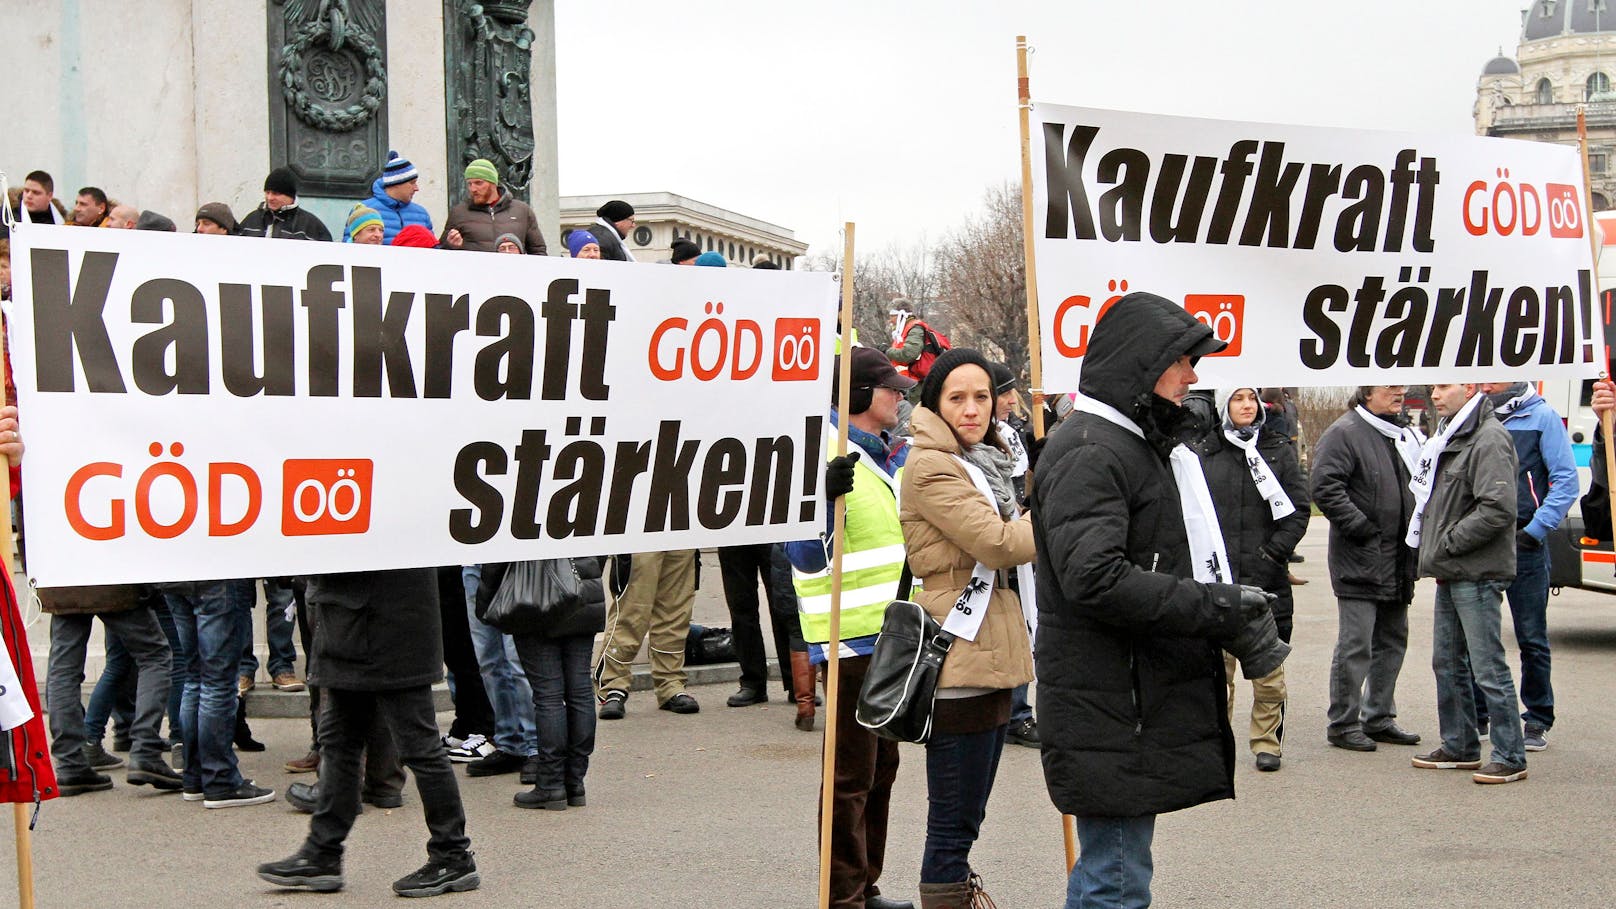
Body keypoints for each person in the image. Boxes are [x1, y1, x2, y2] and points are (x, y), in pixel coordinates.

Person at [1031, 291, 1287, 909]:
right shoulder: (1094, 449)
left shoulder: (1124, 442)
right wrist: (1213, 607)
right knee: (1115, 884)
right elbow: (1095, 578)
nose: (1193, 377)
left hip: (1124, 700)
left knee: (1114, 876)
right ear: (1142, 364)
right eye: (1182, 361)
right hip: (1113, 704)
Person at [900, 348, 1036, 908]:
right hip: (960, 651)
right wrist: (1062, 508)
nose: (973, 407)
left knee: (968, 816)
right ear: (935, 401)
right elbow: (999, 542)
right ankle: (947, 898)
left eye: (982, 395)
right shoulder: (932, 464)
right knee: (953, 822)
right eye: (957, 397)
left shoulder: (981, 460)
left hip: (992, 647)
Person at [784, 345, 917, 909]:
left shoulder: (880, 457)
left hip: (888, 640)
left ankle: (865, 884)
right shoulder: (825, 454)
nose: (900, 395)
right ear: (860, 395)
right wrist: (821, 499)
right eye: (891, 387)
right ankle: (841, 897)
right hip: (848, 641)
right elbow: (800, 553)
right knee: (849, 777)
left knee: (880, 770)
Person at [258, 569, 479, 897]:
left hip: (392, 622)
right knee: (338, 741)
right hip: (345, 621)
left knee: (418, 745)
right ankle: (322, 852)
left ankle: (453, 855)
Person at [1408, 383, 1526, 784]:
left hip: (1476, 570)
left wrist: (1448, 542)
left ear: (1471, 387)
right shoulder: (1451, 434)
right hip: (1453, 568)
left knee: (1487, 666)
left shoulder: (1489, 437)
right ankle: (1460, 745)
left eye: (1443, 387)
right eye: (1433, 388)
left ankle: (1511, 755)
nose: (1435, 395)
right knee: (1447, 662)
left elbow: (1498, 507)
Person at [1197, 387, 1311, 771]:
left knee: (1269, 676)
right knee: (1217, 674)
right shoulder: (1204, 453)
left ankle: (1267, 744)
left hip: (1268, 582)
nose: (1247, 405)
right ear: (1224, 406)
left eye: (1251, 398)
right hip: (1220, 582)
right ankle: (1217, 744)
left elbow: (1297, 511)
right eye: (1238, 398)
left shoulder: (1277, 449)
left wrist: (1273, 553)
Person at [1310, 385, 1424, 752]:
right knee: (1356, 645)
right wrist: (1360, 527)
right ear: (1366, 393)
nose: (1399, 392)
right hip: (1360, 559)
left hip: (1397, 560)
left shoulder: (1402, 434)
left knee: (1392, 641)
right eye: (1390, 387)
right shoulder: (1345, 433)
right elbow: (1325, 487)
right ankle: (1343, 723)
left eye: (1401, 386)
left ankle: (1378, 718)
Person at [1474, 381, 1577, 751]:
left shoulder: (1542, 416)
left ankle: (1537, 719)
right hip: (1480, 540)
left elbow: (1566, 480)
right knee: (1478, 634)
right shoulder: (1473, 412)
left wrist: (1535, 530)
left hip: (1525, 541)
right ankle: (1478, 712)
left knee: (1531, 636)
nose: (1486, 383)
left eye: (1494, 376)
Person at [476, 558, 606, 809]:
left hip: (534, 594)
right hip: (582, 585)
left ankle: (551, 783)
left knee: (548, 695)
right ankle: (575, 781)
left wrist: (485, 602)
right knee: (579, 690)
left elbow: (499, 554)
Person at [987, 362, 1039, 749]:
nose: (1010, 400)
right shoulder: (981, 441)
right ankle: (1011, 711)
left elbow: (1022, 483)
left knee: (1022, 623)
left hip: (1020, 539)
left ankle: (1018, 709)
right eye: (1003, 392)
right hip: (1000, 545)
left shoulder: (1012, 433)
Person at [441, 159, 547, 255]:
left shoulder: (522, 210)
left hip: (513, 273)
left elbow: (538, 250)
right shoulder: (459, 212)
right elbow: (441, 251)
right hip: (475, 274)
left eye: (479, 183)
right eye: (469, 184)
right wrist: (452, 245)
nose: (473, 189)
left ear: (493, 183)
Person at [351, 150, 432, 244]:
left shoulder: (422, 214)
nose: (416, 188)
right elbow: (350, 248)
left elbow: (433, 250)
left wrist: (449, 245)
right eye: (412, 183)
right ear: (396, 184)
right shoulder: (364, 210)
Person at [238, 167, 332, 241]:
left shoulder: (310, 225)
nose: (270, 198)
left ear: (290, 196)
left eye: (276, 193)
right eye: (267, 192)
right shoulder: (251, 220)